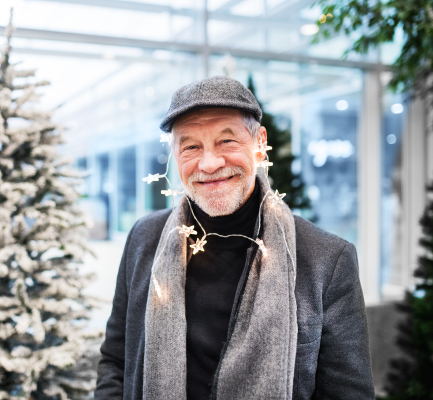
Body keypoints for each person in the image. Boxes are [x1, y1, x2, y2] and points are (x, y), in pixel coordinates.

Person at [94, 76, 375, 400]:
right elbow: (116, 360)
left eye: (227, 141)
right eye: (191, 146)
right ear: (174, 154)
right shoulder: (145, 239)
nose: (210, 163)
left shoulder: (326, 259)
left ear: (259, 143)